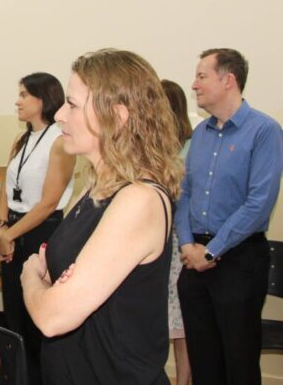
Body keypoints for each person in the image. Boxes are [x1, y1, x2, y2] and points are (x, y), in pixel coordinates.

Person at [21, 49, 183, 384]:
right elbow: (57, 278)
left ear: (117, 117)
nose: (60, 115)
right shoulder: (96, 187)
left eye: (72, 104)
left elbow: (52, 316)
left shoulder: (139, 199)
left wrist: (29, 277)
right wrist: (52, 287)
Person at [176, 48, 283, 385]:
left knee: (239, 363)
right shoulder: (200, 134)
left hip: (239, 260)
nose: (194, 85)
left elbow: (258, 204)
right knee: (203, 362)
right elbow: (185, 193)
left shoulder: (264, 131)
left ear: (228, 80)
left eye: (202, 76)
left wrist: (211, 251)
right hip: (194, 261)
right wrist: (188, 245)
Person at [0, 72, 75, 384]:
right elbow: (5, 187)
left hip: (43, 231)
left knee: (38, 319)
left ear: (43, 99)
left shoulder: (60, 140)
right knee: (14, 314)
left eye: (24, 95)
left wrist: (9, 235)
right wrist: (2, 227)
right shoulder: (21, 140)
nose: (17, 101)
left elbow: (48, 202)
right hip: (12, 229)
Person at [161, 79, 193, 385]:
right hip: (155, 245)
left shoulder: (191, 148)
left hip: (179, 245)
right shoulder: (151, 148)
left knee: (182, 328)